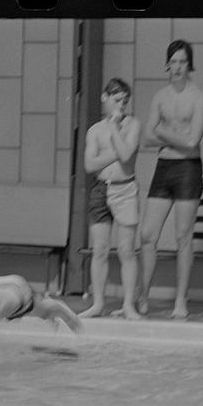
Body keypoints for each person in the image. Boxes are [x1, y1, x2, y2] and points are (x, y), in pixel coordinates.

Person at [138, 39, 203, 319]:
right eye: (174, 61)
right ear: (167, 64)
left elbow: (193, 141)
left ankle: (181, 300)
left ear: (189, 65)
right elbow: (146, 138)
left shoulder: (200, 98)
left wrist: (162, 132)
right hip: (164, 167)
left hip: (188, 169)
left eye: (183, 61)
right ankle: (143, 296)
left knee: (183, 237)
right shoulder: (160, 97)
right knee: (147, 235)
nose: (178, 67)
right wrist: (170, 136)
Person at [80, 78, 142, 320]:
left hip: (125, 190)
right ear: (104, 98)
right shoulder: (94, 130)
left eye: (125, 101)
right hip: (100, 189)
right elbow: (88, 165)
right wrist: (115, 152)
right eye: (117, 101)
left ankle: (128, 305)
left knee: (126, 250)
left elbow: (126, 157)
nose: (121, 106)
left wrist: (116, 128)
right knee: (100, 250)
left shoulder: (132, 124)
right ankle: (97, 303)